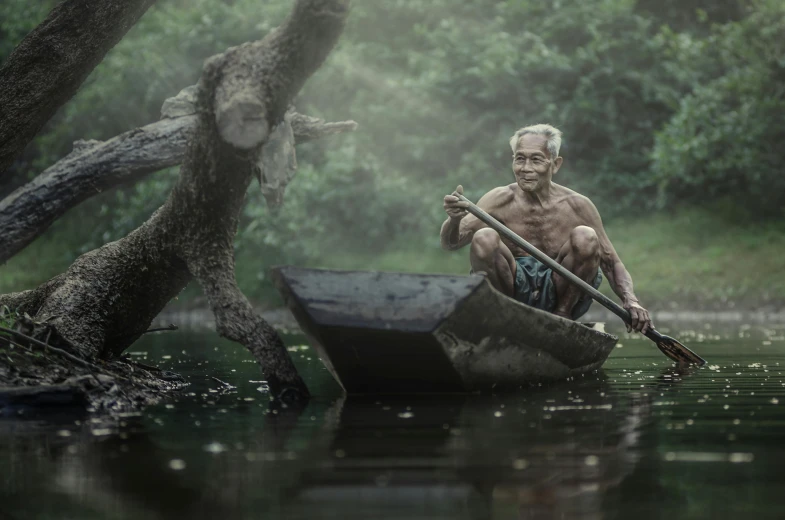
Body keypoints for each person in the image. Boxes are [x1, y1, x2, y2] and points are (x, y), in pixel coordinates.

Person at [440, 124, 652, 333]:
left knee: (586, 236)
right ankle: (507, 315)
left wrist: (631, 301)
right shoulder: (499, 199)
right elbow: (451, 243)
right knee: (484, 237)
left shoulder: (577, 205)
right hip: (512, 290)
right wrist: (454, 220)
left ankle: (561, 318)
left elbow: (611, 263)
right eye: (520, 159)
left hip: (561, 291)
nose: (526, 168)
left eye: (536, 160)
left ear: (555, 164)